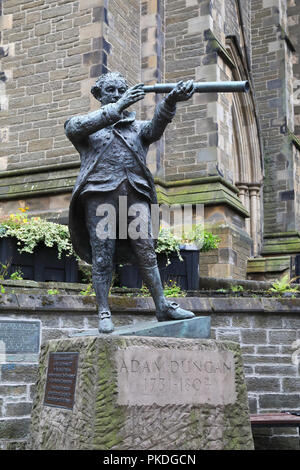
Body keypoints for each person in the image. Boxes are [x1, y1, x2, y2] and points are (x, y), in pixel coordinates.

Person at [65, 71, 195, 333]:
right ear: (98, 95)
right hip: (100, 195)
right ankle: (103, 310)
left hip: (136, 194)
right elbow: (73, 128)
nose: (115, 94)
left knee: (146, 250)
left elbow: (155, 128)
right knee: (103, 256)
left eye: (120, 90)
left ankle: (161, 305)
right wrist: (119, 106)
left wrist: (170, 101)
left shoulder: (136, 128)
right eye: (110, 90)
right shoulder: (87, 127)